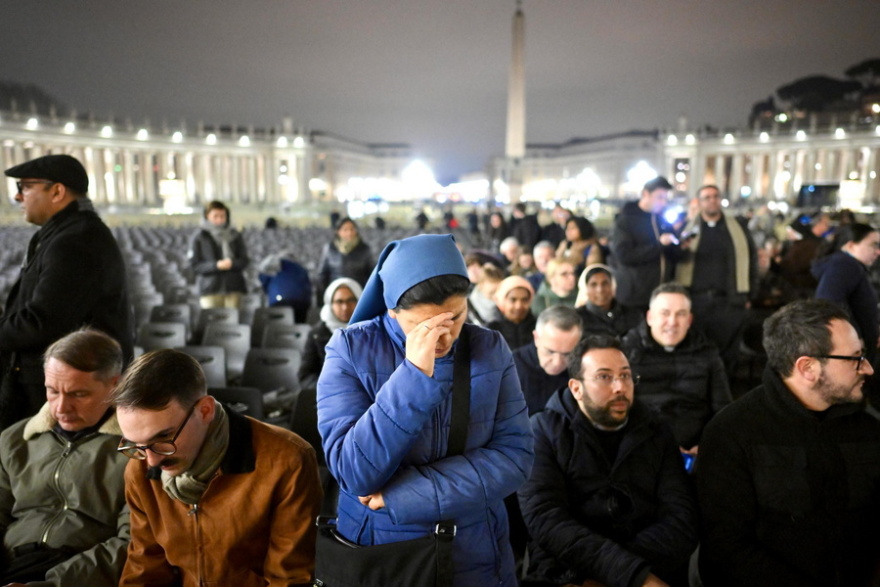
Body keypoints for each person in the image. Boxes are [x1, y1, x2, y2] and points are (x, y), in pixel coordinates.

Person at [317, 234, 534, 586]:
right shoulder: (349, 350)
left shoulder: (489, 348)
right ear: (391, 309)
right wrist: (414, 376)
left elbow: (515, 456)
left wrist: (403, 495)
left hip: (474, 548)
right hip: (384, 549)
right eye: (425, 326)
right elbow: (354, 472)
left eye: (456, 318)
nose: (445, 338)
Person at [697, 299, 880, 586]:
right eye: (855, 358)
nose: (867, 368)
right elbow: (726, 549)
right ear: (807, 368)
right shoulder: (732, 433)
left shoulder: (868, 427)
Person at [112, 349, 323, 586]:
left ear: (205, 410)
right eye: (136, 444)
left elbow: (289, 578)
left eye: (164, 437)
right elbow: (144, 566)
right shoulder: (139, 468)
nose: (152, 461)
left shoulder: (287, 460)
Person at [519, 334, 699, 587]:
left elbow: (681, 517)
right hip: (568, 572)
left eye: (625, 375)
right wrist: (625, 573)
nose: (620, 387)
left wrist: (623, 573)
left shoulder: (657, 429)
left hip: (651, 567)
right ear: (576, 388)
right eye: (604, 377)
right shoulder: (542, 431)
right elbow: (545, 518)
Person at [0, 154, 133, 431]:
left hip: (68, 393)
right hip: (61, 384)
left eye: (25, 187)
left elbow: (43, 322)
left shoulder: (76, 240)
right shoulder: (66, 233)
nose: (17, 196)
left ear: (57, 191)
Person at [0, 329, 128, 586]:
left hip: (79, 572)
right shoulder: (15, 440)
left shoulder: (135, 451)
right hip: (12, 563)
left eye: (78, 394)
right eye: (52, 391)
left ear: (115, 385)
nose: (61, 408)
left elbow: (133, 543)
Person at [621, 284, 731, 454]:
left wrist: (706, 446)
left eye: (681, 314)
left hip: (696, 451)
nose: (672, 322)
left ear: (689, 320)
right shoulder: (625, 352)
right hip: (641, 449)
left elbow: (723, 411)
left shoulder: (707, 353)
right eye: (665, 313)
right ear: (650, 317)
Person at [675, 184, 757, 373]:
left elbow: (752, 259)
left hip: (730, 301)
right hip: (697, 301)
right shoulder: (688, 230)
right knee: (697, 353)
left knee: (728, 357)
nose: (712, 200)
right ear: (700, 202)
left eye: (715, 196)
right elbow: (675, 261)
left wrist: (750, 294)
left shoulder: (738, 229)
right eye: (707, 197)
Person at [811, 223, 880, 404]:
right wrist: (855, 338)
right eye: (873, 245)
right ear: (850, 245)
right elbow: (828, 302)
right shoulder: (844, 265)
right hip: (852, 354)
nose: (878, 251)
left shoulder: (850, 265)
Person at [609, 176, 679, 314]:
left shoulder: (662, 220)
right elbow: (624, 255)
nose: (663, 202)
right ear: (645, 194)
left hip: (661, 294)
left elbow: (670, 256)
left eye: (666, 198)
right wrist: (659, 245)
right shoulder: (626, 220)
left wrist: (679, 246)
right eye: (659, 197)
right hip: (635, 296)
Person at [513, 305, 583, 417]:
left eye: (567, 354)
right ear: (536, 338)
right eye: (550, 352)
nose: (557, 363)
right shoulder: (508, 368)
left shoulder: (585, 367)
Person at [298, 277, 363, 390]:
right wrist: (331, 388)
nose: (345, 307)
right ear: (330, 304)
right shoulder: (317, 334)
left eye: (351, 300)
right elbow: (305, 376)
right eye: (339, 302)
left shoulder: (369, 330)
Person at [188, 200, 250, 309]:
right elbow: (194, 265)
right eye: (215, 216)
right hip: (210, 289)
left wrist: (232, 263)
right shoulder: (199, 237)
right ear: (207, 216)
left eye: (222, 216)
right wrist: (215, 266)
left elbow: (244, 260)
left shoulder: (235, 235)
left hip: (234, 287)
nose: (220, 219)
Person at [316, 217, 374, 301]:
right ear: (338, 231)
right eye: (345, 230)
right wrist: (322, 297)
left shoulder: (364, 249)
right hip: (335, 293)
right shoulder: (330, 249)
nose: (349, 233)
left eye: (352, 229)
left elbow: (371, 274)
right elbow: (322, 274)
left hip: (358, 294)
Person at [575, 264, 641, 337]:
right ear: (586, 289)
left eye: (605, 283)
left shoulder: (633, 315)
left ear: (613, 286)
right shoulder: (577, 319)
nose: (600, 290)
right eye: (593, 285)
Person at [257, 249, 312, 323]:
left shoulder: (276, 266)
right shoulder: (301, 269)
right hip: (302, 305)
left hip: (279, 303)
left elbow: (263, 278)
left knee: (275, 325)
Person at [488, 276, 538, 350]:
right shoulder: (489, 331)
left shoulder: (538, 327)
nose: (519, 306)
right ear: (501, 301)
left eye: (524, 300)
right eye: (513, 300)